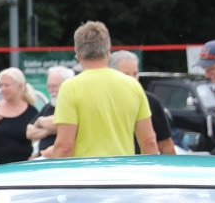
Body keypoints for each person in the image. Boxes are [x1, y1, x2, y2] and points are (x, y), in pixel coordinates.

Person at [41, 22, 156, 158]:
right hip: (123, 169)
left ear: (77, 54)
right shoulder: (133, 85)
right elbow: (149, 142)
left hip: (86, 169)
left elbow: (65, 146)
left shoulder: (70, 88)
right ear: (108, 52)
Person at [109, 51, 176, 155]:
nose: (133, 79)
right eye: (126, 75)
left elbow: (166, 146)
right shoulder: (103, 100)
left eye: (135, 73)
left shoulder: (151, 101)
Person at [26, 65, 74, 155]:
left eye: (54, 86)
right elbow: (29, 132)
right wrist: (50, 130)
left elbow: (65, 124)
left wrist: (41, 121)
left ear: (66, 85)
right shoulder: (49, 106)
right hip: (44, 158)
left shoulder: (72, 104)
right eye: (49, 86)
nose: (51, 90)